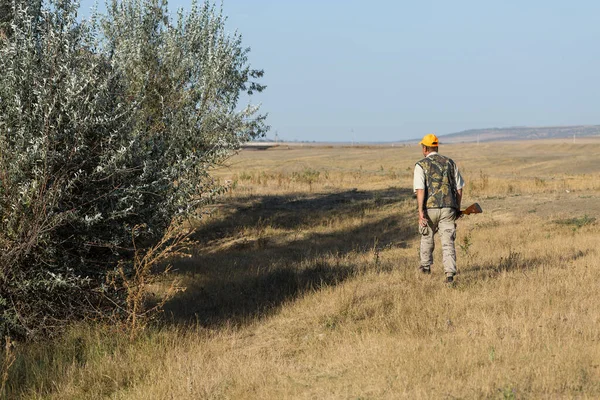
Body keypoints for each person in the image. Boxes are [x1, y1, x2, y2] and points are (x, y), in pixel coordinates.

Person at [413, 134, 465, 283]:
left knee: (426, 236)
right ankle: (449, 275)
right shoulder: (450, 163)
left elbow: (420, 190)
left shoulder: (420, 165)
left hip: (430, 208)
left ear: (425, 148)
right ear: (436, 147)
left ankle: (426, 267)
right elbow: (459, 188)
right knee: (448, 241)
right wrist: (457, 207)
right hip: (449, 207)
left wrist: (420, 211)